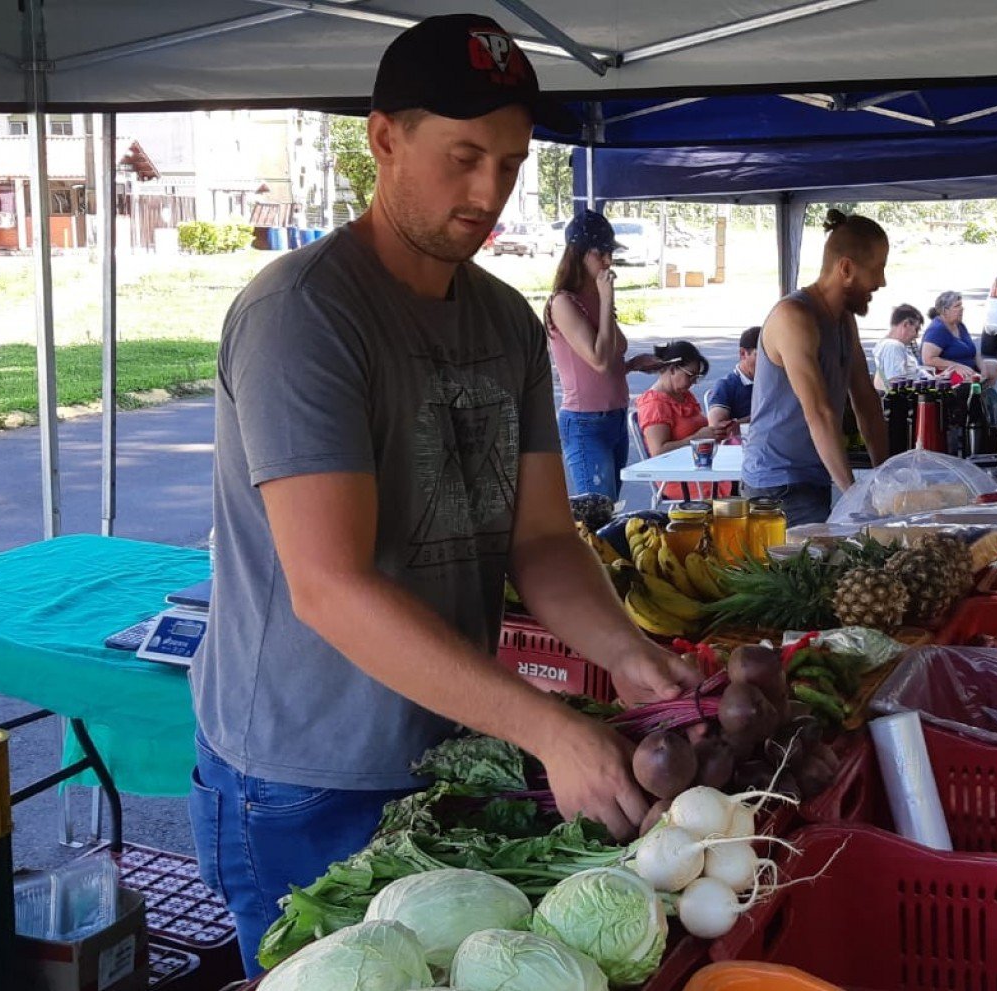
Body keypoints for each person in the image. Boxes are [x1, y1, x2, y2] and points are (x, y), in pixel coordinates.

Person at [194, 15, 699, 974]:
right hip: (306, 778)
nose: (488, 193)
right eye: (463, 156)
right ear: (383, 138)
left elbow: (544, 538)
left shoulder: (505, 320)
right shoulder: (304, 315)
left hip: (446, 750)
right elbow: (329, 584)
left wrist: (626, 655)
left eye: (509, 165)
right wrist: (552, 727)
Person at [742, 210, 892, 525]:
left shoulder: (843, 319)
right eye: (877, 269)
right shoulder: (794, 317)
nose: (881, 281)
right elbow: (819, 413)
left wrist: (885, 479)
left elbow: (865, 399)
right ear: (847, 268)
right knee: (816, 568)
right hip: (777, 486)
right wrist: (854, 496)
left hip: (813, 476)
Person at [545, 208, 655, 500]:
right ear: (578, 254)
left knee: (611, 505)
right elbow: (598, 360)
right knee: (598, 512)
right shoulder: (563, 302)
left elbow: (613, 352)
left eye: (610, 253)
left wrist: (632, 365)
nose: (608, 261)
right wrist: (607, 300)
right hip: (585, 423)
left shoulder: (594, 297)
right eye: (601, 253)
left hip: (614, 416)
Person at [638, 341, 725, 500]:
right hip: (678, 478)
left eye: (696, 377)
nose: (693, 382)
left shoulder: (683, 396)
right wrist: (696, 439)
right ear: (672, 369)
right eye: (690, 375)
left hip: (698, 468)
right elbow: (658, 452)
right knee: (742, 486)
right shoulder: (654, 404)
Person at [920, 290, 997, 383]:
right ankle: (973, 396)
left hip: (966, 366)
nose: (962, 309)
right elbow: (928, 359)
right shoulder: (937, 330)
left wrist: (982, 367)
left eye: (961, 305)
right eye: (957, 306)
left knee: (994, 366)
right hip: (944, 372)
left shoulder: (959, 325)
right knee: (970, 377)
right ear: (945, 311)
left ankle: (983, 395)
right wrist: (956, 366)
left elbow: (972, 351)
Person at [704, 327, 760, 433]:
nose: (767, 363)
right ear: (743, 353)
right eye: (761, 356)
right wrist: (762, 417)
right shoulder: (726, 385)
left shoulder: (776, 383)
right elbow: (717, 428)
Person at [872, 303, 926, 391]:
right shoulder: (893, 346)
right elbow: (896, 385)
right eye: (916, 329)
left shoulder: (890, 345)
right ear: (906, 324)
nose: (917, 336)